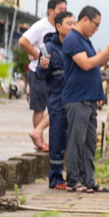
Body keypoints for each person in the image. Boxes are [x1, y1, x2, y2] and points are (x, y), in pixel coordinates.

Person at [62, 6, 109, 193]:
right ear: (86, 20)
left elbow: (96, 63)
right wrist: (106, 51)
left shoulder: (85, 41)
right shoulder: (73, 39)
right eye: (96, 24)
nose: (97, 29)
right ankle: (72, 180)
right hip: (77, 98)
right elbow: (87, 64)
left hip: (89, 98)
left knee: (89, 143)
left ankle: (88, 179)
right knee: (76, 141)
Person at [19, 0, 67, 151]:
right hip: (38, 72)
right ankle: (40, 142)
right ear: (50, 10)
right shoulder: (41, 26)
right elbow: (23, 41)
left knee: (59, 105)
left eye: (65, 10)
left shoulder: (63, 27)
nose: (63, 12)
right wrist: (38, 55)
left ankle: (37, 132)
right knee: (39, 108)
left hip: (57, 74)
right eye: (60, 9)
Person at [36, 11, 75, 190]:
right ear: (58, 26)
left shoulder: (76, 46)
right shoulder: (48, 48)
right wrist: (44, 66)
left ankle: (75, 176)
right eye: (69, 23)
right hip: (57, 99)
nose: (72, 27)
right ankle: (56, 178)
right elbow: (40, 74)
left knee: (74, 139)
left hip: (75, 99)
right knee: (57, 138)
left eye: (74, 23)